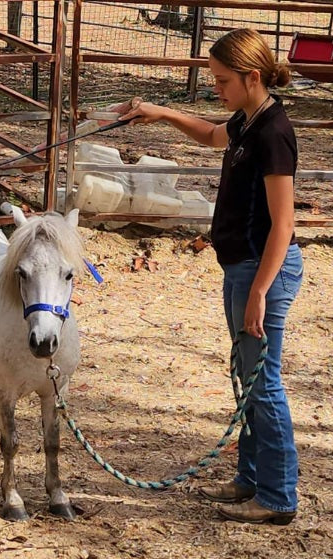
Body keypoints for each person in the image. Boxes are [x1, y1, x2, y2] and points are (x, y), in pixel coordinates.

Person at [119, 28, 303, 525]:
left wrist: (260, 291)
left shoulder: (273, 133)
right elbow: (210, 134)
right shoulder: (248, 121)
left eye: (222, 81)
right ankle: (250, 478)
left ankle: (279, 494)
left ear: (251, 76)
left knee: (262, 381)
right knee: (247, 376)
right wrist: (161, 113)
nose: (216, 89)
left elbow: (283, 224)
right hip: (243, 266)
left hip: (261, 269)